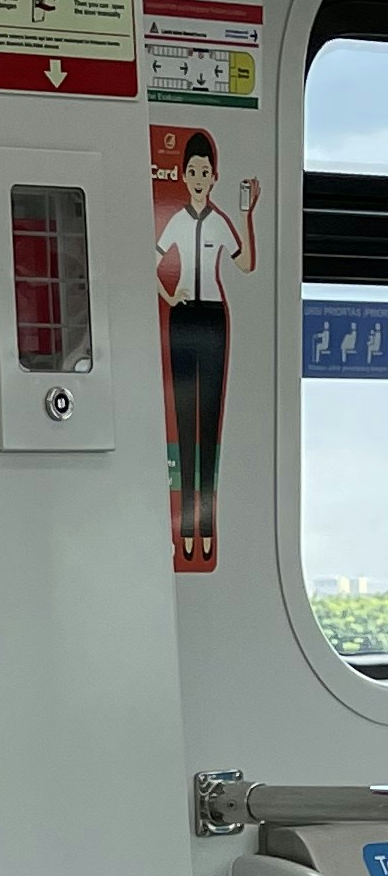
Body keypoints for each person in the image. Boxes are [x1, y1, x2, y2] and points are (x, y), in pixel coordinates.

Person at [157, 128, 259, 570]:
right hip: (184, 317)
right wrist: (167, 297)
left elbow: (247, 263)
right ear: (184, 175)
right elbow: (148, 261)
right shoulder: (176, 221)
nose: (199, 177)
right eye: (192, 171)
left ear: (214, 177)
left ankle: (208, 528)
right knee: (183, 423)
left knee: (209, 426)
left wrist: (247, 213)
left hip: (214, 320)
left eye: (205, 171)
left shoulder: (220, 222)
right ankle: (184, 532)